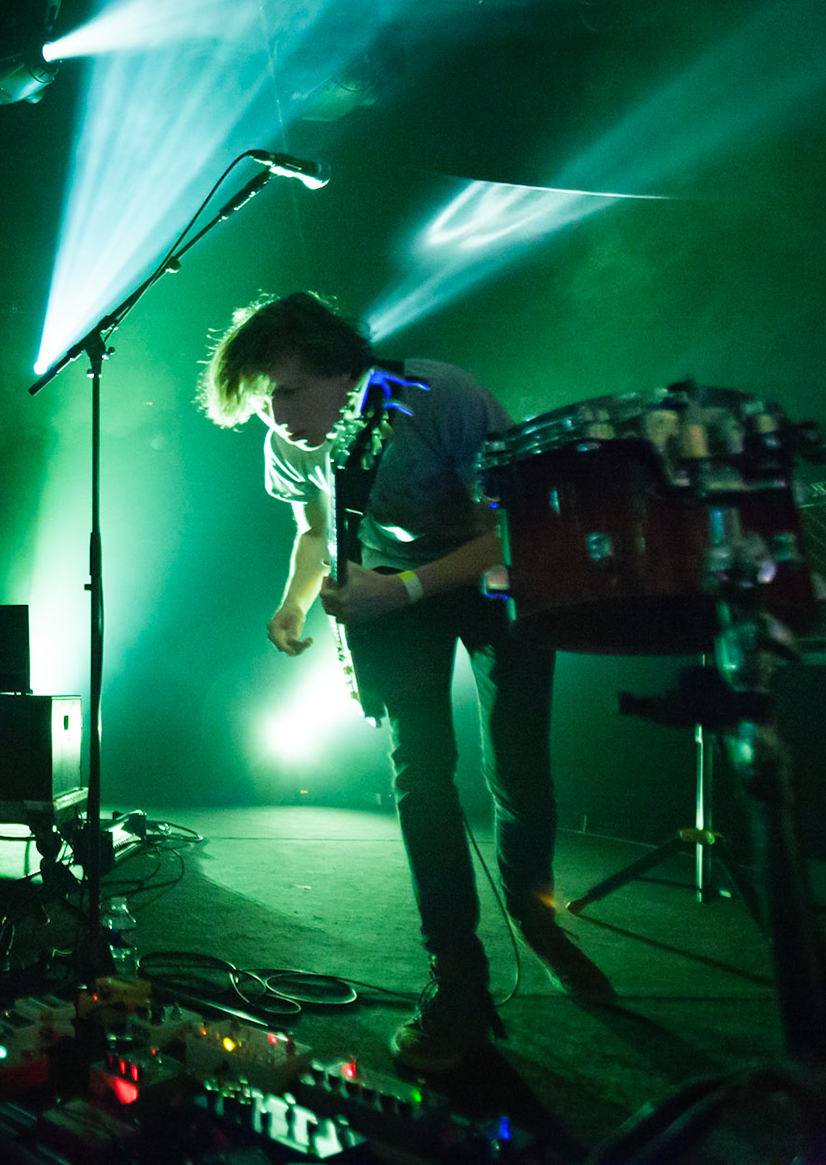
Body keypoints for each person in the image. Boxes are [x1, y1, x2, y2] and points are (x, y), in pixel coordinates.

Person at [199, 290, 613, 1073]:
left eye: (287, 391)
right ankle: (455, 973)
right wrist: (292, 603)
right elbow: (318, 530)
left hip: (493, 580)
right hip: (396, 590)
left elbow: (508, 533)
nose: (277, 416)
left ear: (339, 370)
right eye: (262, 402)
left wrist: (406, 589)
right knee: (420, 773)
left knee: (517, 766)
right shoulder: (289, 439)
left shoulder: (439, 397)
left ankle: (535, 911)